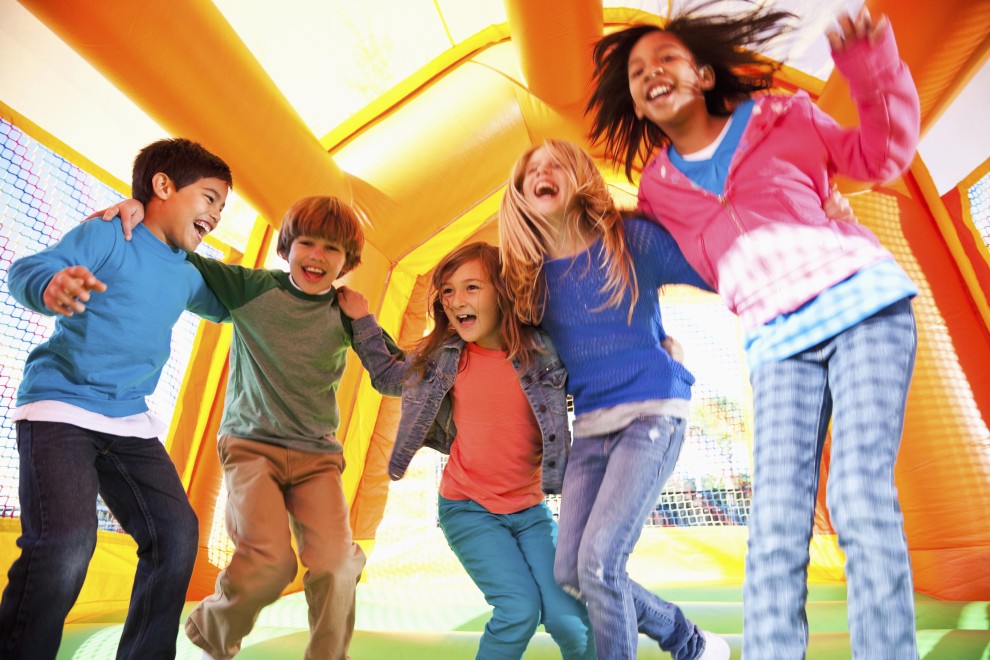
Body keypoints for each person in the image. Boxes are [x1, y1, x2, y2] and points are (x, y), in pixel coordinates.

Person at [587, 3, 921, 657]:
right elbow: (702, 266)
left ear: (705, 75)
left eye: (666, 59)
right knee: (774, 523)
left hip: (860, 305)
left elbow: (879, 156)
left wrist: (871, 68)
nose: (651, 73)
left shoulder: (783, 118)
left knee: (857, 495)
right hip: (776, 342)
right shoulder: (658, 190)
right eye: (637, 71)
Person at [99, 194, 399, 660]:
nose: (317, 256)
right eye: (307, 243)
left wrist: (364, 322)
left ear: (348, 261)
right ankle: (214, 629)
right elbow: (182, 256)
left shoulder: (347, 312)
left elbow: (394, 377)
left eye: (332, 249)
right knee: (270, 562)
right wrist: (140, 215)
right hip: (251, 447)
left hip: (317, 458)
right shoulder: (252, 288)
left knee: (338, 567)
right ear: (287, 246)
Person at [0, 137, 232, 660]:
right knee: (66, 544)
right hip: (60, 409)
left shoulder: (189, 273)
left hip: (128, 422)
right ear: (163, 186)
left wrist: (305, 290)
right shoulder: (111, 232)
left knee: (176, 535)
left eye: (222, 206)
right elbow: (28, 270)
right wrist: (51, 284)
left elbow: (239, 303)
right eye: (210, 198)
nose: (217, 215)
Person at [499, 138, 728, 660]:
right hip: (591, 429)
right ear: (520, 196)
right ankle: (690, 643)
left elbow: (716, 269)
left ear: (579, 175)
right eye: (532, 170)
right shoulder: (529, 281)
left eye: (557, 164)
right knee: (571, 572)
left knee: (600, 561)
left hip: (652, 409)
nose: (544, 172)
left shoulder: (628, 241)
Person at [338, 241, 597, 660]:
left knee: (571, 620)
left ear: (504, 291)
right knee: (519, 610)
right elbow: (388, 375)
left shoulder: (544, 354)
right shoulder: (446, 360)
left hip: (530, 511)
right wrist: (362, 320)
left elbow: (598, 374)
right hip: (468, 508)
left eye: (471, 287)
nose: (457, 300)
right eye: (447, 291)